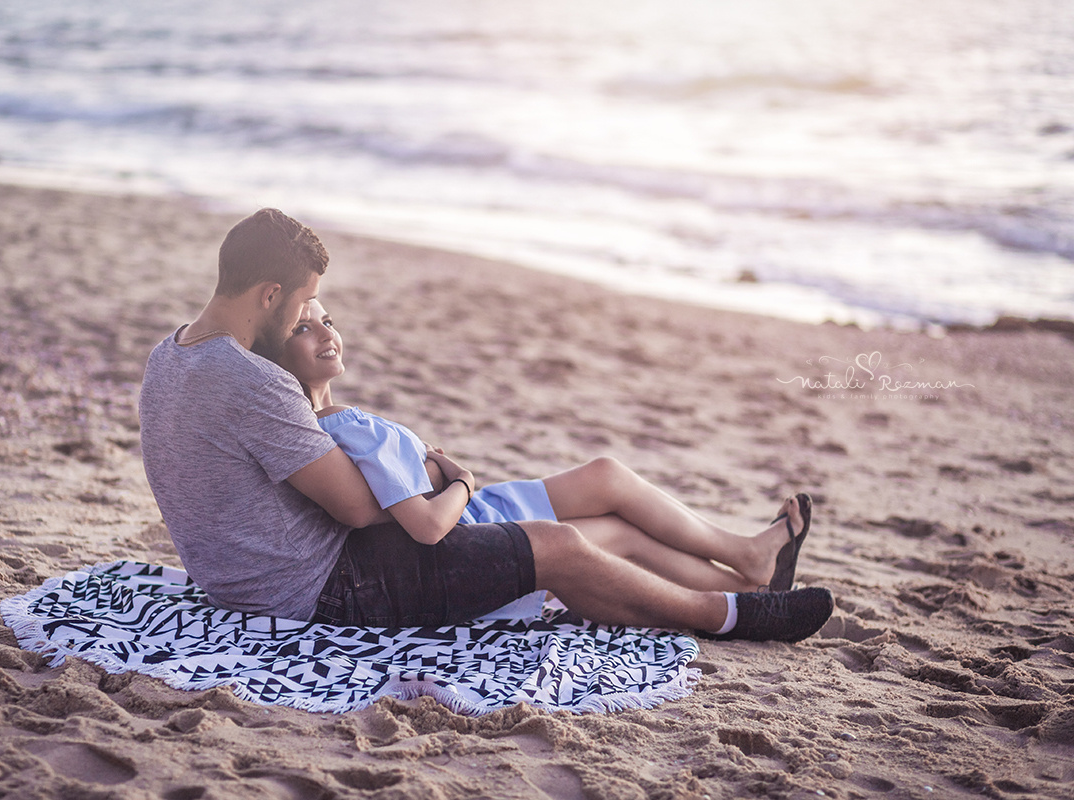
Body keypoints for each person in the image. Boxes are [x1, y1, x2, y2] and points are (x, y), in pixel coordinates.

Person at [139, 208, 833, 643]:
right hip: (321, 590)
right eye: (306, 304)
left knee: (574, 533)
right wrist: (449, 478)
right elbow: (358, 508)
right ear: (268, 294)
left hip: (252, 577)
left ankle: (741, 579)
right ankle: (730, 616)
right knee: (557, 545)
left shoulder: (169, 355)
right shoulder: (252, 381)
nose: (309, 318)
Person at [273, 298, 813, 601]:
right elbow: (425, 524)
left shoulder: (338, 421)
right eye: (303, 327)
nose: (325, 332)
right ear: (278, 353)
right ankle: (746, 587)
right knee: (620, 534)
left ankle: (746, 558)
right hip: (478, 533)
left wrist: (437, 471)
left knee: (607, 474)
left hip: (484, 512)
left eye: (328, 319)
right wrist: (461, 478)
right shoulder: (335, 427)